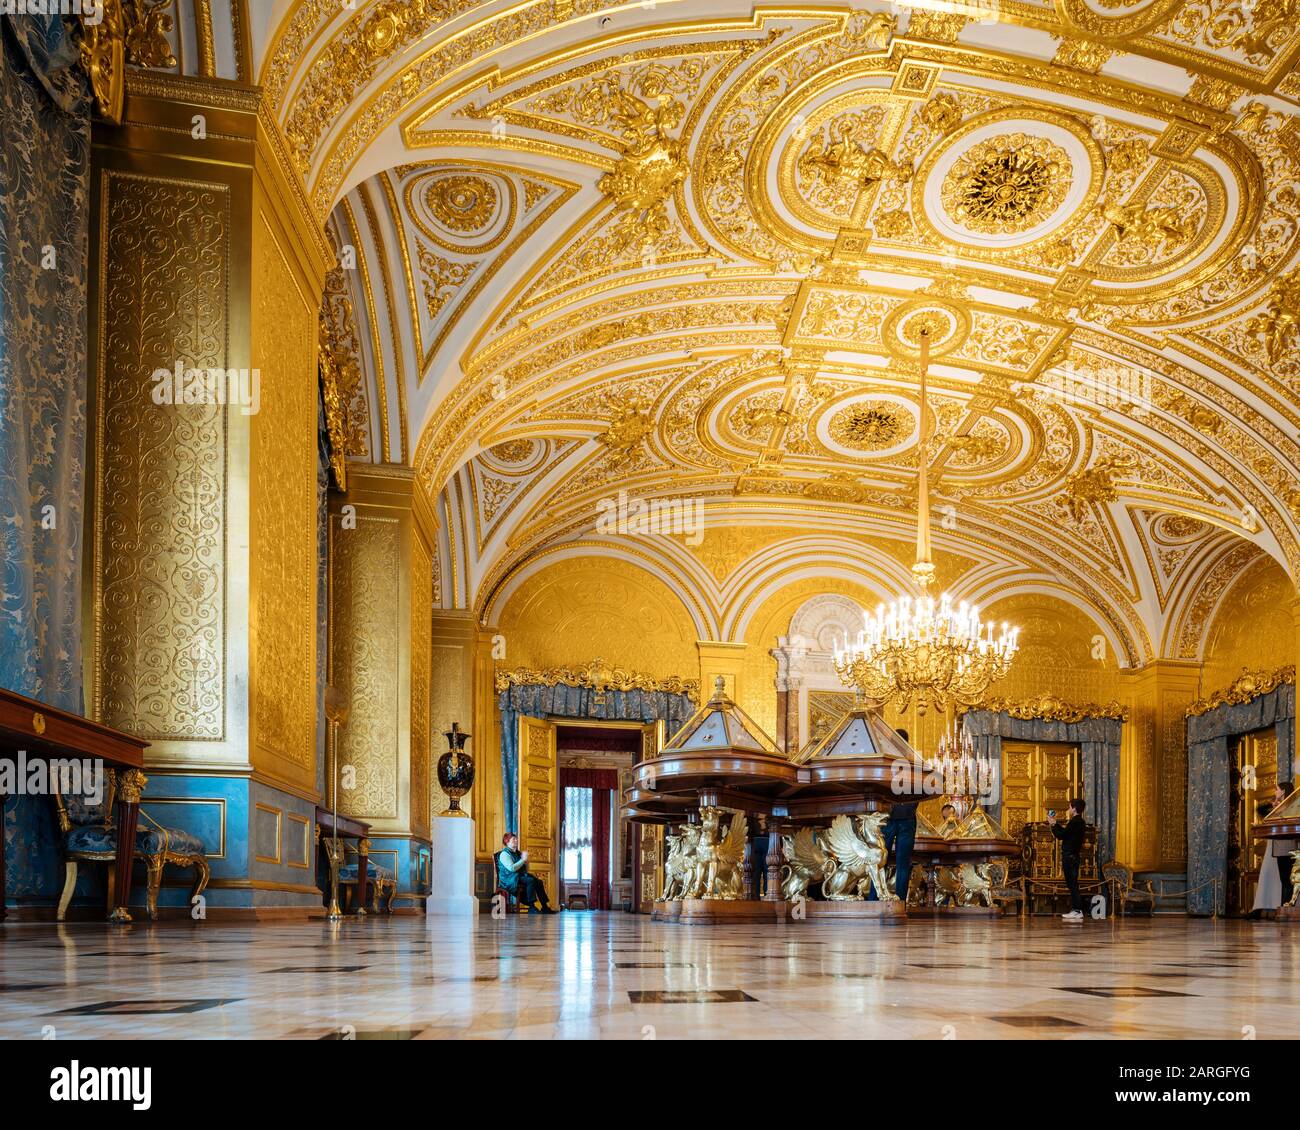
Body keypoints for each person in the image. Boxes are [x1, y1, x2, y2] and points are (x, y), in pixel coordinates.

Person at [497, 832, 555, 913]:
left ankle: (545, 907)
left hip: (517, 876)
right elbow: (512, 868)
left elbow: (525, 869)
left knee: (538, 882)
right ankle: (531, 907)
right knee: (530, 881)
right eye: (514, 839)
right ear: (507, 841)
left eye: (516, 839)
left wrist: (526, 861)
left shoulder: (517, 853)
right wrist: (522, 860)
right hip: (508, 879)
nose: (516, 840)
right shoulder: (504, 854)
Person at [1048, 798, 1086, 921]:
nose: (1069, 809)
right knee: (1073, 884)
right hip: (1073, 856)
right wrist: (1056, 823)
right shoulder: (1079, 821)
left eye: (1070, 807)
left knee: (1072, 884)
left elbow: (1061, 836)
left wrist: (1053, 825)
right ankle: (1076, 910)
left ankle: (1077, 910)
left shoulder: (1075, 821)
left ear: (1074, 808)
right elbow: (1066, 832)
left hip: (1069, 856)